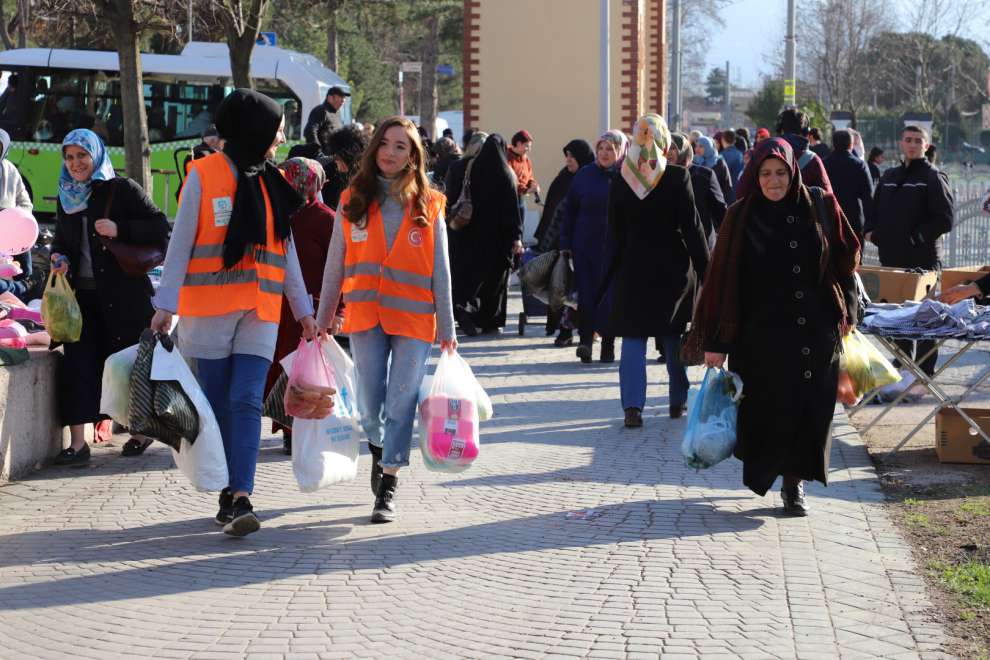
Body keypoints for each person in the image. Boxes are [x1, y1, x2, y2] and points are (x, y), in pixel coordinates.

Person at [150, 89, 317, 537]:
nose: (281, 138)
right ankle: (226, 488)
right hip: (208, 311)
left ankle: (242, 494)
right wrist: (166, 304)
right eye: (276, 129)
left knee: (246, 400)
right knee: (219, 402)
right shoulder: (202, 175)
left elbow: (288, 251)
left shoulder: (273, 181)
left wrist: (303, 310)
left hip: (260, 310)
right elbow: (180, 241)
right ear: (253, 130)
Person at [690, 137, 860, 516]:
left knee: (810, 411)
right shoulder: (740, 217)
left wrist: (846, 311)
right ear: (755, 176)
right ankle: (774, 473)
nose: (774, 181)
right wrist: (716, 341)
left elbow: (844, 261)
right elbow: (721, 283)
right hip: (760, 338)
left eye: (781, 172)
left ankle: (794, 485)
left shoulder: (817, 204)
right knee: (768, 413)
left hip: (815, 332)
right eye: (765, 174)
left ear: (793, 171)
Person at [315, 116, 456, 523]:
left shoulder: (429, 203)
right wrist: (325, 316)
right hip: (365, 315)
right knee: (371, 403)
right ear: (374, 148)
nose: (391, 153)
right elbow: (334, 264)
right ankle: (378, 451)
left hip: (413, 319)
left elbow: (440, 270)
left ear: (413, 157)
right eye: (386, 144)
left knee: (401, 401)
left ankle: (389, 481)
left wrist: (447, 328)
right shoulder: (352, 198)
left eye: (402, 147)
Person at [49, 128, 170, 465]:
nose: (75, 164)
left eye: (82, 156)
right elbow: (61, 239)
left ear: (96, 155)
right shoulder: (66, 194)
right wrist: (60, 258)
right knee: (78, 365)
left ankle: (139, 430)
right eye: (69, 157)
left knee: (128, 366)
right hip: (81, 299)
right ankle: (77, 443)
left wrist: (120, 229)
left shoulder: (122, 189)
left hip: (124, 295)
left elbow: (160, 226)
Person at [604, 114, 709, 428]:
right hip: (672, 271)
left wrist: (609, 271)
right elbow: (692, 228)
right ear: (664, 142)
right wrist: (707, 271)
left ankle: (632, 407)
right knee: (673, 336)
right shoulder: (677, 176)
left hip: (632, 270)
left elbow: (614, 232)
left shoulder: (621, 178)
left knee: (633, 338)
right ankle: (677, 399)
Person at [864, 125, 953, 381]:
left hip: (923, 262)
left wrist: (916, 237)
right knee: (897, 316)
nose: (912, 144)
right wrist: (872, 233)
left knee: (926, 317)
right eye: (908, 140)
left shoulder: (933, 176)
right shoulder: (890, 176)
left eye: (917, 141)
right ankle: (902, 363)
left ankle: (924, 369)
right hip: (892, 261)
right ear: (900, 143)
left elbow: (944, 220)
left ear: (926, 145)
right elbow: (873, 213)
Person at [264, 157, 337, 456]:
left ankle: (299, 427)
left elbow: (336, 269)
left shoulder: (325, 219)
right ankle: (289, 427)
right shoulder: (284, 214)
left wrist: (336, 311)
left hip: (311, 311)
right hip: (283, 307)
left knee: (304, 372)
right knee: (285, 369)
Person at [558, 131, 626, 363]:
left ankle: (608, 345)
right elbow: (569, 211)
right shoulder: (585, 175)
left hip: (614, 248)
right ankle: (585, 341)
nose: (605, 154)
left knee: (610, 298)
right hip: (585, 245)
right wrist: (565, 244)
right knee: (586, 296)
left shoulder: (625, 176)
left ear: (620, 151)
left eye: (610, 149)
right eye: (601, 149)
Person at [451, 134, 521, 336]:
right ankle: (491, 320)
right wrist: (516, 235)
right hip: (499, 238)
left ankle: (468, 312)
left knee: (474, 276)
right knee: (496, 281)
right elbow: (512, 209)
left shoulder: (473, 169)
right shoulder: (507, 174)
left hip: (473, 234)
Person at [531, 138, 594, 344]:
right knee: (562, 288)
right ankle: (564, 331)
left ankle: (585, 332)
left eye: (572, 156)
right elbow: (552, 212)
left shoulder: (591, 178)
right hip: (562, 245)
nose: (568, 160)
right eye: (566, 156)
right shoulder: (563, 178)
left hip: (585, 244)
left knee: (579, 290)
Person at [736, 108, 832, 199]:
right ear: (806, 132)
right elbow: (828, 199)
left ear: (779, 130)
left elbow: (741, 192)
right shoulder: (812, 160)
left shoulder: (763, 154)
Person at [0, 128, 38, 300]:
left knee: (22, 264)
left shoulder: (10, 170)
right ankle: (18, 288)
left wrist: (17, 219)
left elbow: (25, 202)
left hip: (10, 228)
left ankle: (25, 286)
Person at [668, 131, 725, 242]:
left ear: (684, 150)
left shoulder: (703, 175)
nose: (668, 152)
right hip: (671, 246)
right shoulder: (657, 177)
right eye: (665, 148)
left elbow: (720, 211)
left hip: (702, 240)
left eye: (673, 148)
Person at [823, 129, 874, 242]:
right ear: (851, 144)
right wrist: (870, 224)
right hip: (853, 217)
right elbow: (867, 196)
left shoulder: (823, 164)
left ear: (833, 144)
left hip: (829, 216)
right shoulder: (860, 165)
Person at [324, 123, 370, 209]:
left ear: (348, 155)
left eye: (337, 157)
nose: (335, 160)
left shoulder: (366, 179)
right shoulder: (331, 174)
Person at [507, 130, 539, 220]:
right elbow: (510, 181)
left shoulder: (526, 159)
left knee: (520, 231)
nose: (529, 149)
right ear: (518, 143)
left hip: (521, 201)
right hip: (508, 202)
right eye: (527, 146)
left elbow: (529, 176)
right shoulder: (506, 158)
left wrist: (533, 184)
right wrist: (526, 190)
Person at [694, 135, 735, 205]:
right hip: (698, 204)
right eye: (696, 146)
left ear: (708, 147)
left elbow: (727, 186)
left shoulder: (719, 163)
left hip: (716, 203)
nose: (697, 149)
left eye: (701, 146)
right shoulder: (694, 161)